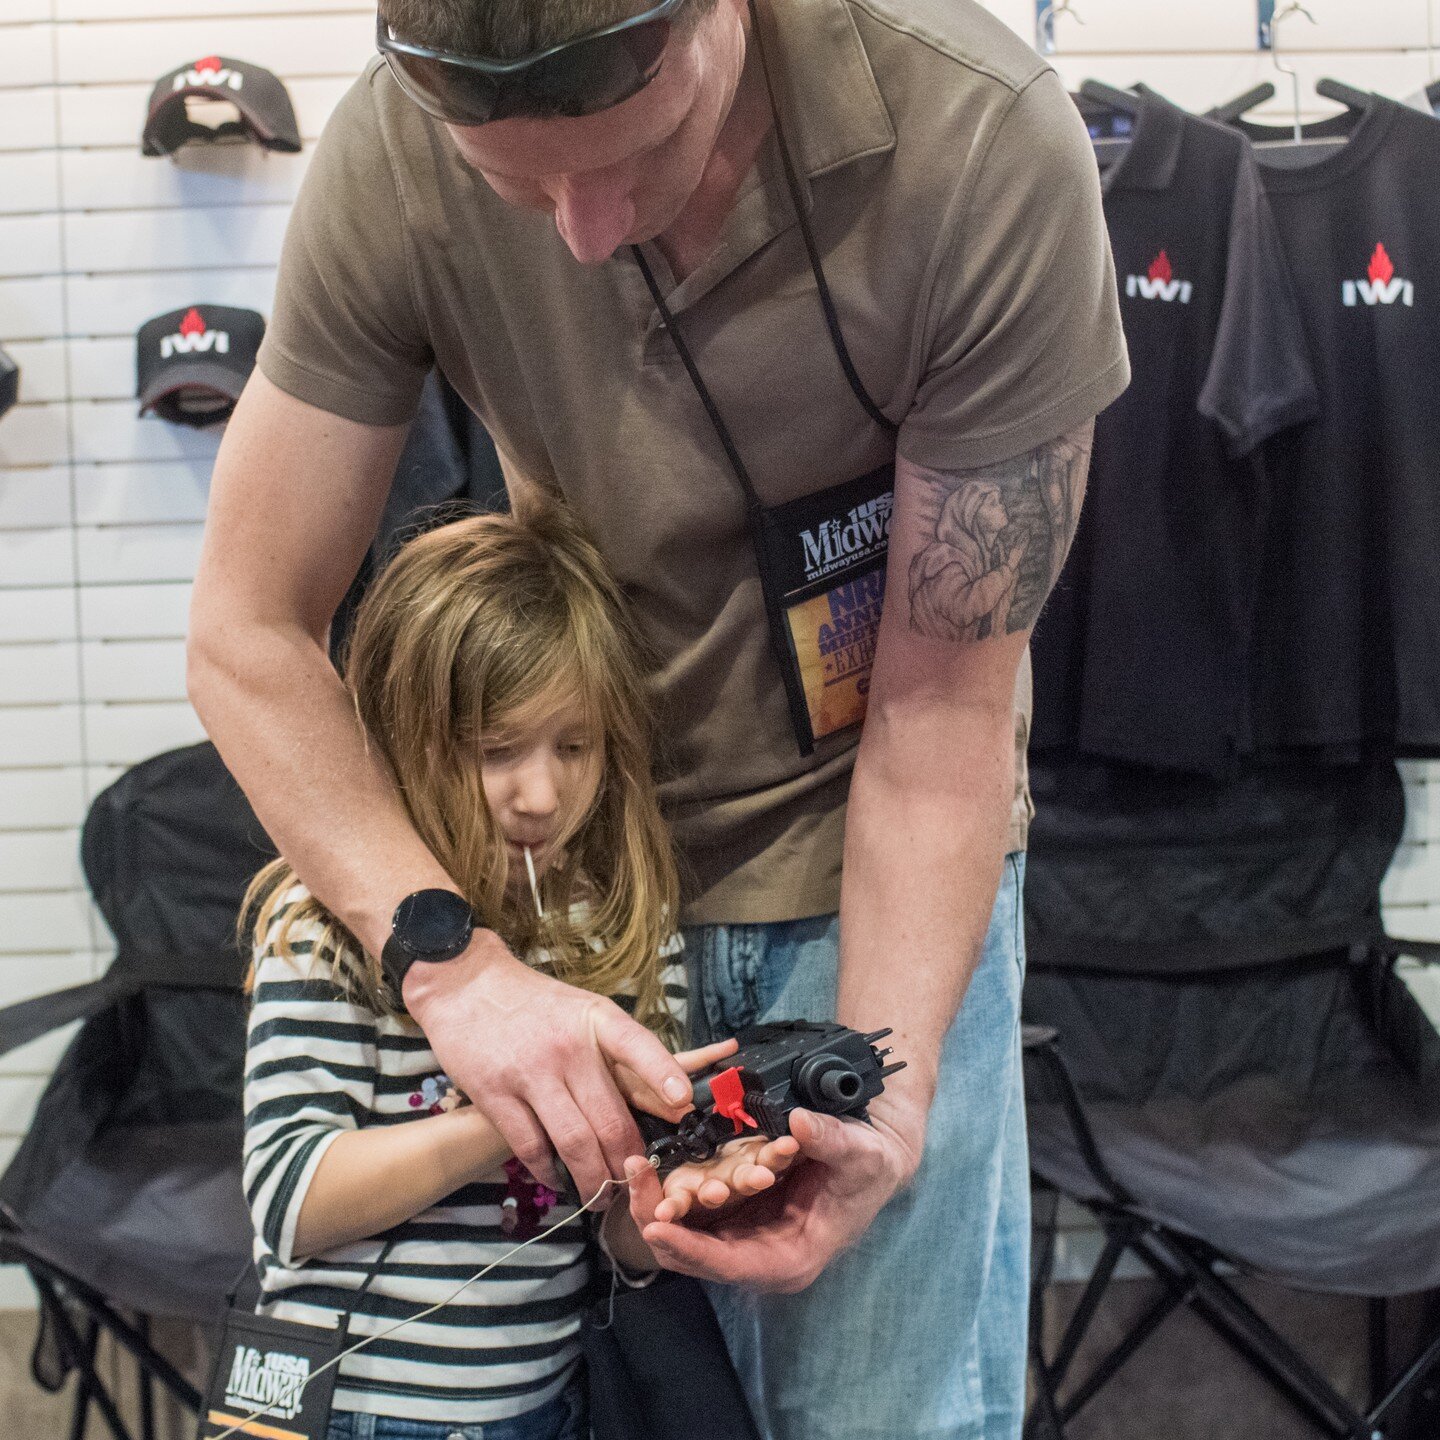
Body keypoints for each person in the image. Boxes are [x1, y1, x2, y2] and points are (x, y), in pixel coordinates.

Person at [188, 0, 1130, 1434]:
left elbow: (940, 721)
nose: (583, 229)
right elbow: (247, 629)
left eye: (643, 150)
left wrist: (881, 1092)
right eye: (517, 179)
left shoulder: (976, 146)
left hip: (874, 881)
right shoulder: (393, 154)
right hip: (586, 893)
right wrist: (457, 966)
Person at [240, 504, 799, 1440]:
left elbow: (613, 1234)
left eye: (573, 748)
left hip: (544, 1402)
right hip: (361, 1414)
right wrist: (522, 1103)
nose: (540, 795)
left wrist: (674, 1199)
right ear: (403, 733)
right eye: (497, 751)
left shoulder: (616, 927)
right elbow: (291, 1200)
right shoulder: (326, 922)